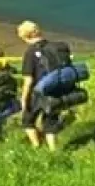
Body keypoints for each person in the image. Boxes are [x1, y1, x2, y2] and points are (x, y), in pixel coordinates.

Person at [17, 20, 63, 151]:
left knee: (27, 121)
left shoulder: (30, 52)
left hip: (37, 92)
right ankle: (53, 150)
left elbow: (28, 79)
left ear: (26, 36)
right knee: (50, 121)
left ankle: (36, 145)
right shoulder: (53, 47)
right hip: (55, 89)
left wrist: (24, 98)